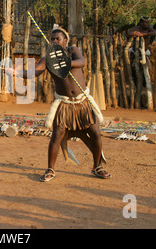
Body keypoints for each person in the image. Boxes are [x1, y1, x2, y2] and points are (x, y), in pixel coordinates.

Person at [6, 27, 111, 181]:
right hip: (64, 103)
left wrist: (64, 62)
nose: (55, 41)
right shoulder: (47, 58)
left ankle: (97, 167)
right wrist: (16, 73)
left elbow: (81, 62)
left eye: (58, 39)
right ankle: (50, 169)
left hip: (83, 102)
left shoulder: (72, 51)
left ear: (65, 40)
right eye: (52, 39)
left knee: (95, 131)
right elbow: (34, 73)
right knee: (57, 135)